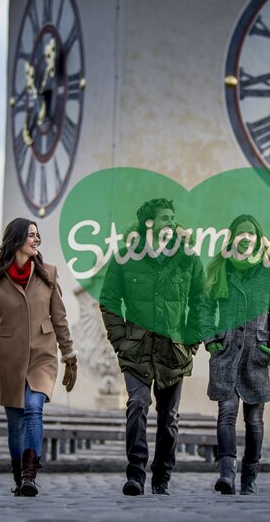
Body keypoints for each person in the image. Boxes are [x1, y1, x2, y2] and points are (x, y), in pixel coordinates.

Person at [98, 198, 205, 496]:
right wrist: (121, 340)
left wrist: (191, 341)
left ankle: (162, 477)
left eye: (173, 218)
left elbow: (201, 304)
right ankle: (135, 475)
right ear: (148, 223)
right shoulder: (124, 258)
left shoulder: (188, 259)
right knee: (137, 404)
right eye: (164, 218)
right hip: (137, 350)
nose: (171, 223)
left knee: (169, 418)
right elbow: (108, 302)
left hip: (173, 351)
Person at [0, 218, 78, 497]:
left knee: (33, 407)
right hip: (10, 357)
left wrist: (69, 355)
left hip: (43, 353)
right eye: (31, 235)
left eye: (38, 235)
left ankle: (30, 476)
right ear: (17, 239)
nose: (36, 239)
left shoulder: (48, 274)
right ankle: (19, 478)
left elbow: (60, 318)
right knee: (14, 421)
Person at [201, 214, 270, 495]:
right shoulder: (219, 268)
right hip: (226, 354)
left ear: (258, 238)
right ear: (233, 237)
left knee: (254, 419)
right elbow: (204, 308)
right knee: (226, 412)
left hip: (257, 355)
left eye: (251, 232)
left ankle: (250, 476)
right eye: (241, 233)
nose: (246, 237)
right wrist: (212, 339)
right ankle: (227, 473)